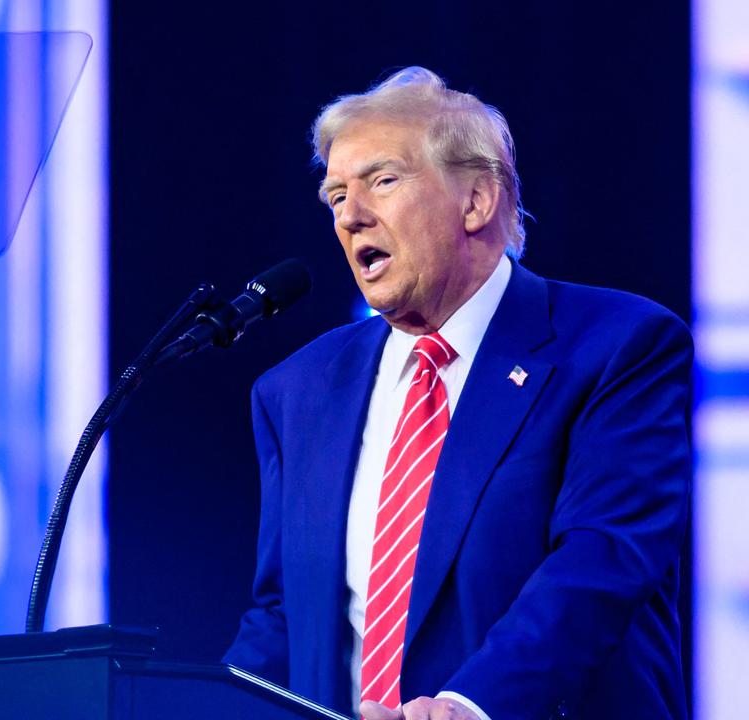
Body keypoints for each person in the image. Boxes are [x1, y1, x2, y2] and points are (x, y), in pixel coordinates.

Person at [223, 67, 691, 720]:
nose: (351, 216)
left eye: (382, 181)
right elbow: (282, 617)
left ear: (476, 199)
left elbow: (603, 559)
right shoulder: (296, 390)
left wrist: (471, 705)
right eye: (335, 197)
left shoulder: (616, 346)